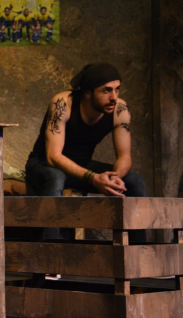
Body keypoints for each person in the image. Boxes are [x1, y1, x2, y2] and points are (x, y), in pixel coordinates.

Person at [25, 63, 146, 240]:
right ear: (87, 92)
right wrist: (93, 178)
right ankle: (51, 248)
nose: (114, 97)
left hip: (82, 166)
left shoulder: (120, 110)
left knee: (134, 180)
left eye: (117, 89)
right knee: (56, 177)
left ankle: (138, 250)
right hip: (44, 165)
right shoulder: (62, 103)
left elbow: (124, 156)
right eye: (106, 91)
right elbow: (53, 157)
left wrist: (115, 178)